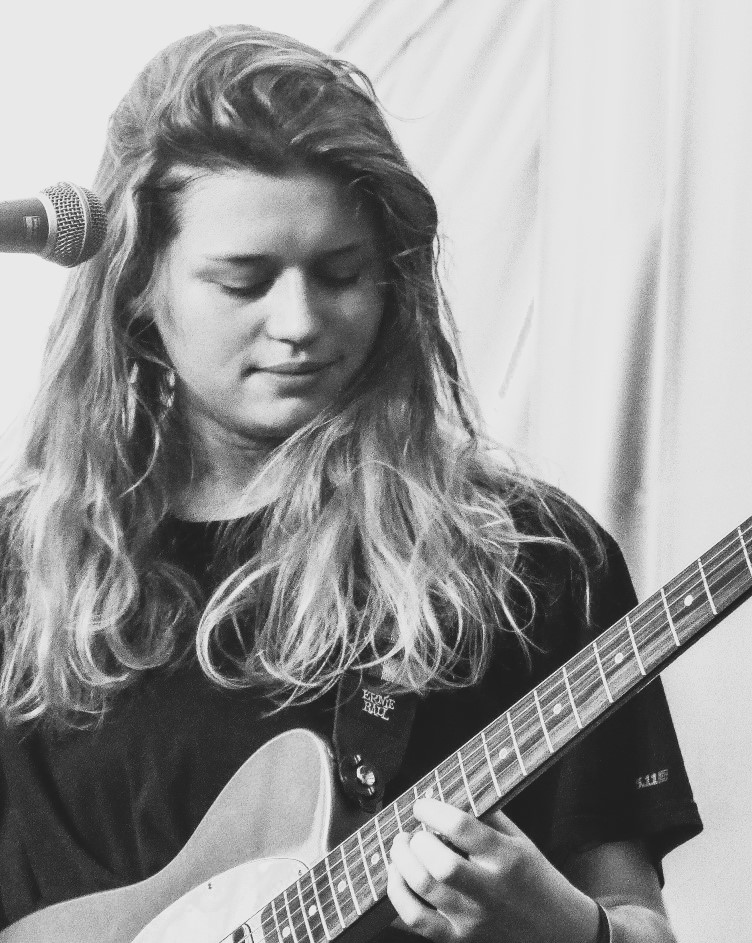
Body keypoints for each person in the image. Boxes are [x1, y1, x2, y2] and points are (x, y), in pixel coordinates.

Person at [0, 24, 701, 943]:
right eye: (243, 280)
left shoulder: (527, 562)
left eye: (341, 274)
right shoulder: (25, 571)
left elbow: (638, 924)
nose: (299, 321)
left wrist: (561, 928)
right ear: (138, 283)